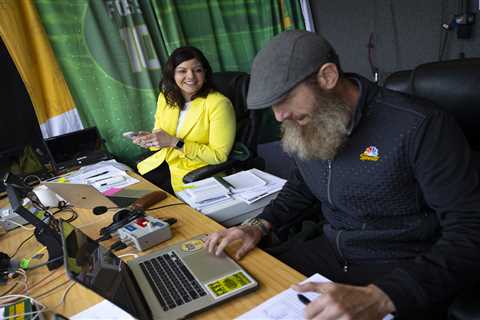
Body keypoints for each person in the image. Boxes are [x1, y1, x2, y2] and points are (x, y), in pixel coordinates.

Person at [205, 30, 480, 319]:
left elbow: (471, 230)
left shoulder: (420, 126)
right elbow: (302, 187)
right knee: (242, 288)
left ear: (327, 77)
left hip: (401, 268)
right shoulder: (307, 121)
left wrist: (383, 296)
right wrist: (259, 224)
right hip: (330, 253)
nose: (279, 116)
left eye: (285, 98)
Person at [134, 46, 236, 193]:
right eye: (182, 71)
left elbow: (218, 156)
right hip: (163, 165)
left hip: (194, 176)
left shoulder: (219, 104)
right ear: (172, 74)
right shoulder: (166, 98)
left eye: (197, 70)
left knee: (155, 209)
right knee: (123, 196)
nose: (191, 76)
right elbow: (159, 140)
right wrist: (150, 139)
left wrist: (176, 142)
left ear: (205, 73)